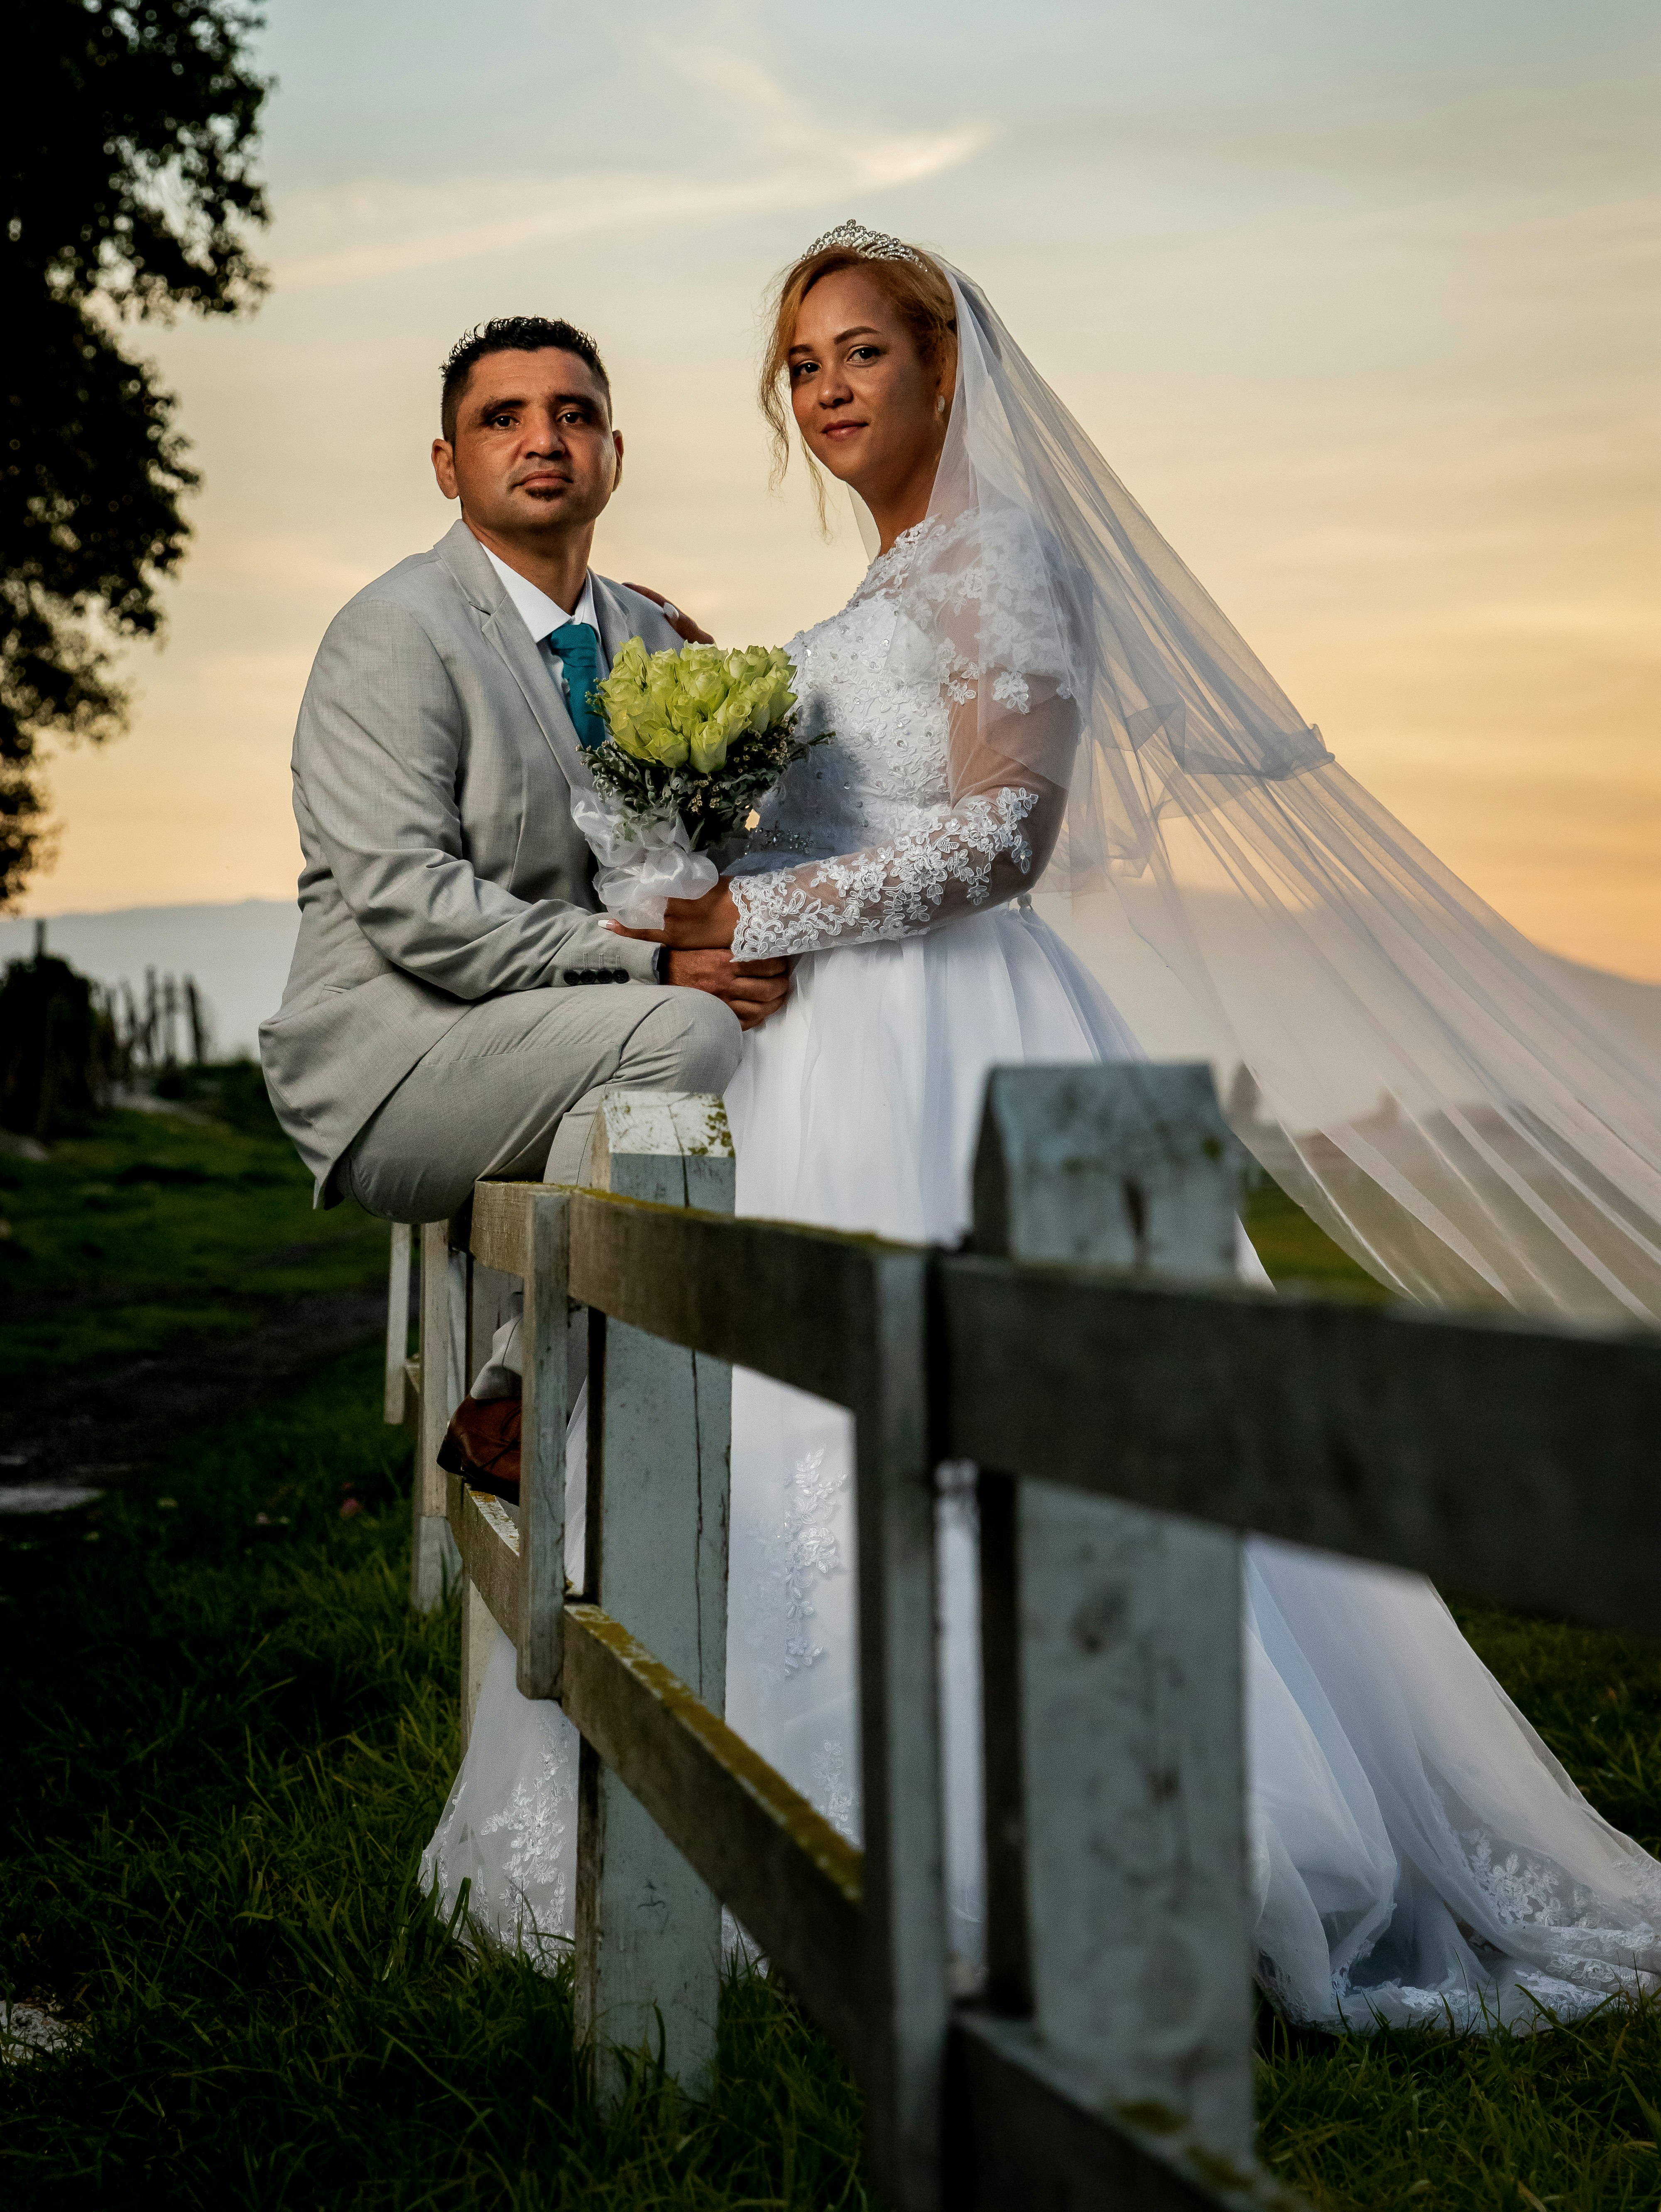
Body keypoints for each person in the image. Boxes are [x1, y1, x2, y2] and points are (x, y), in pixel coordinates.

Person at [424, 238, 1661, 2031]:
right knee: (789, 1431)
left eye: (863, 353)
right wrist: (698, 808)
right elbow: (825, 817)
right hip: (820, 1053)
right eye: (801, 366)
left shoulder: (1006, 558)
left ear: (947, 371)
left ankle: (1095, 1854)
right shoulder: (865, 603)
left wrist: (741, 923)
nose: (830, 390)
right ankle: (774, 1811)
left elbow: (1005, 833)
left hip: (952, 1044)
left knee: (999, 1430)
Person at [260, 314, 789, 1226]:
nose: (544, 440)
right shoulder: (395, 630)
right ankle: (536, 1354)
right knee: (692, 1030)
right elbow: (409, 900)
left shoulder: (655, 639)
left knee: (794, 1015)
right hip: (403, 1060)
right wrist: (655, 964)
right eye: (502, 418)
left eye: (573, 416)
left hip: (585, 1031)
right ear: (445, 464)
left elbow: (695, 859)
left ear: (614, 453)